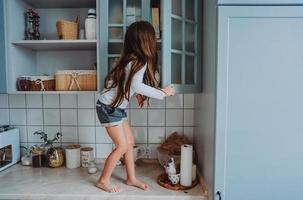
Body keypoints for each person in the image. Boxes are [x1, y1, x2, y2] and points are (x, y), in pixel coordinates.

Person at [95, 21, 175, 193]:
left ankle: (131, 178)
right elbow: (136, 85)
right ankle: (103, 180)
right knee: (122, 146)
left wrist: (137, 94)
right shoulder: (140, 60)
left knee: (129, 142)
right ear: (147, 41)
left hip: (115, 108)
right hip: (108, 108)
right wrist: (162, 92)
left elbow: (129, 84)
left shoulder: (131, 59)